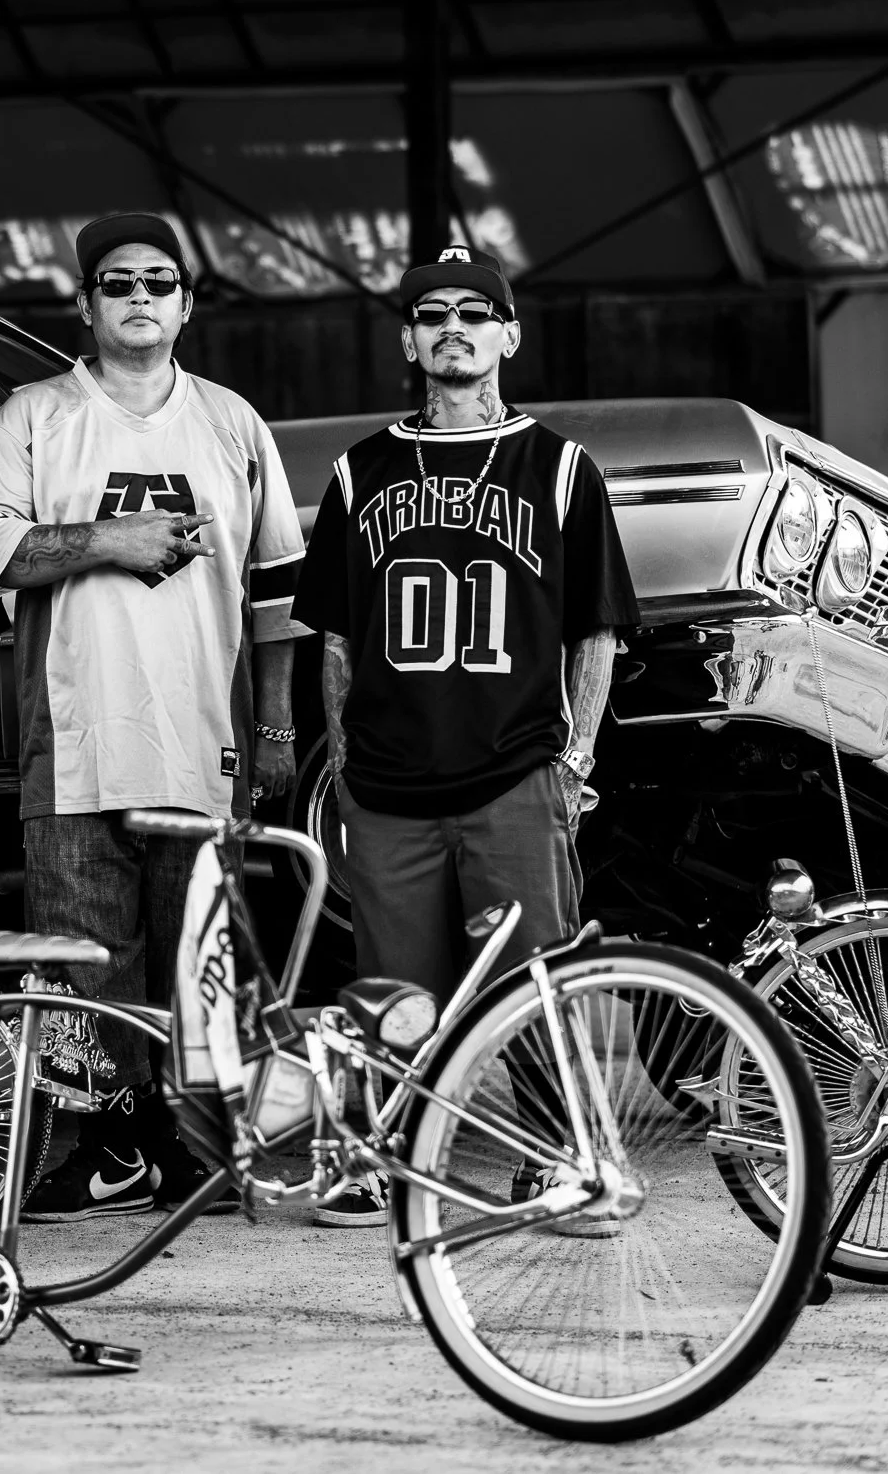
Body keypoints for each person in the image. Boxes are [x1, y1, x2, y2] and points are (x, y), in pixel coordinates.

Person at [0, 215, 306, 1222]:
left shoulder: (232, 422)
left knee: (196, 956)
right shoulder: (30, 416)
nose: (139, 296)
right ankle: (97, 1149)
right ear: (86, 302)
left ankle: (188, 1149)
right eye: (118, 283)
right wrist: (109, 538)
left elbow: (278, 589)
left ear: (187, 301)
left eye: (159, 280)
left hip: (203, 739)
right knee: (77, 959)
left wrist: (276, 726)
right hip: (72, 738)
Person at [290, 243, 637, 1226]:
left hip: (514, 771)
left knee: (536, 982)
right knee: (392, 991)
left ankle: (561, 1157)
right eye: (432, 313)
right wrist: (347, 766)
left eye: (472, 313)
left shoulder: (559, 466)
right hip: (389, 781)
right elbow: (336, 637)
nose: (453, 327)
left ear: (506, 335)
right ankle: (386, 1153)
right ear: (408, 338)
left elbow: (597, 629)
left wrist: (577, 761)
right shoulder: (361, 471)